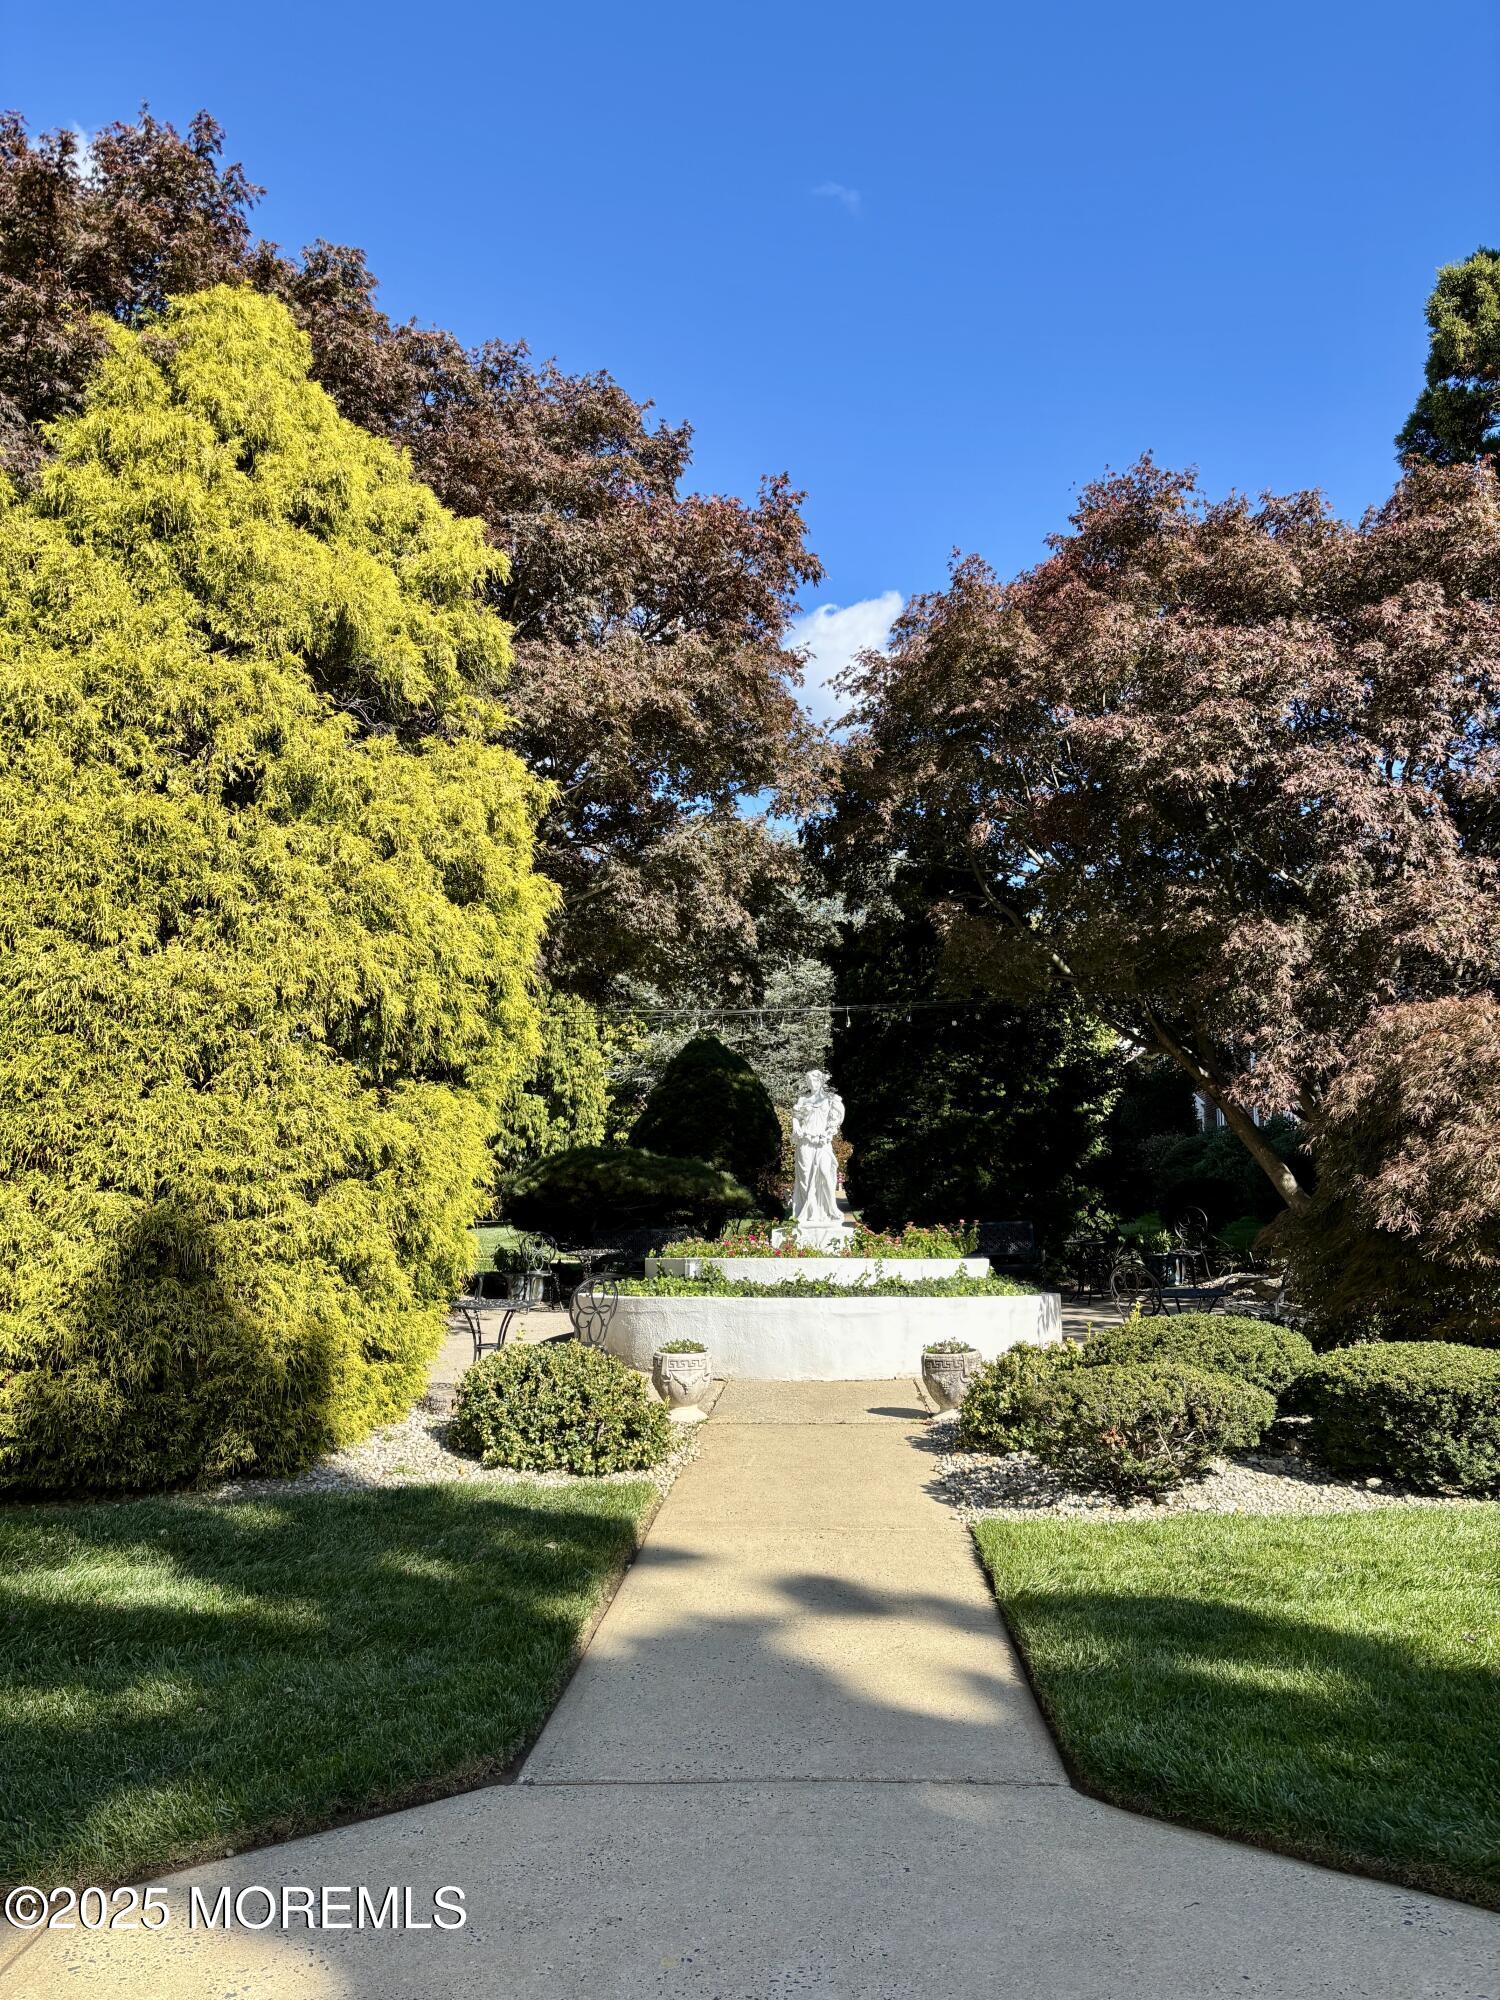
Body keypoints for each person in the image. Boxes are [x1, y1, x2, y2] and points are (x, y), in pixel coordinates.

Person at [791, 1069, 844, 1230]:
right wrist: (796, 1127)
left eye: (814, 1081)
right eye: (808, 1082)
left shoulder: (831, 1100)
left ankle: (830, 1209)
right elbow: (796, 1118)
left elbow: (835, 1121)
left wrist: (828, 1134)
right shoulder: (803, 1100)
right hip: (805, 1142)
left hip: (822, 1142)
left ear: (821, 1082)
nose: (811, 1084)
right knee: (805, 1177)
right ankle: (810, 1212)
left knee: (825, 1173)